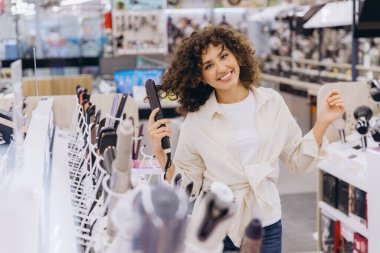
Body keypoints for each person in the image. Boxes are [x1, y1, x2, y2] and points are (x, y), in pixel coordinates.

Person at [147, 26, 345, 252]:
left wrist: (323, 122)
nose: (221, 68)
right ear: (200, 76)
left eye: (224, 56)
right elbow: (188, 185)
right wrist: (162, 155)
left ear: (237, 56)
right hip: (218, 225)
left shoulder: (272, 103)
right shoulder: (196, 121)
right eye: (208, 65)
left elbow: (297, 160)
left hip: (266, 222)